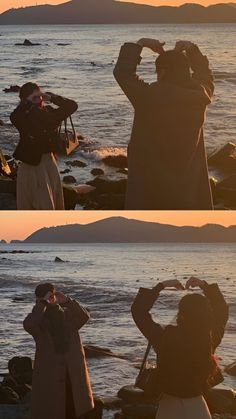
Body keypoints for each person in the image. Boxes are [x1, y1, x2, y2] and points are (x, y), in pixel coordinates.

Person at [114, 39, 214, 210]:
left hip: (150, 191)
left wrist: (140, 44)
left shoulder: (147, 97)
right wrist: (192, 51)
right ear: (186, 71)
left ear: (163, 72)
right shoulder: (201, 97)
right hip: (188, 192)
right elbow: (205, 75)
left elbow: (123, 73)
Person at [131, 277, 229, 419]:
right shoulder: (209, 338)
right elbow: (221, 311)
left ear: (181, 313)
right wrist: (205, 286)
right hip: (197, 406)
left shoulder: (164, 336)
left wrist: (161, 285)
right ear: (207, 314)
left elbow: (138, 312)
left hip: (168, 405)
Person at [23, 283, 94, 419]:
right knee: (53, 410)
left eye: (51, 296)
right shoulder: (38, 321)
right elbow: (29, 325)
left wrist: (68, 300)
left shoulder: (67, 316)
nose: (50, 299)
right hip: (51, 375)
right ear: (38, 300)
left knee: (74, 408)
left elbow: (85, 316)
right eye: (44, 298)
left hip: (73, 372)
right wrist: (42, 303)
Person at [10, 83, 78, 210]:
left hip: (49, 162)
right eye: (34, 97)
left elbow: (72, 106)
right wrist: (28, 105)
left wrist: (52, 98)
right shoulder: (22, 115)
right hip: (31, 164)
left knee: (51, 201)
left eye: (40, 96)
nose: (39, 100)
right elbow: (17, 117)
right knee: (39, 202)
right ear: (24, 100)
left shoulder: (48, 112)